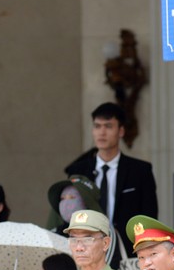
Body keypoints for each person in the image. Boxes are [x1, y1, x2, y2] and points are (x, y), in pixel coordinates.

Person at [65, 102, 158, 237]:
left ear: (121, 131)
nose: (102, 132)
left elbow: (149, 218)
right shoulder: (78, 171)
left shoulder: (140, 171)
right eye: (97, 126)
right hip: (88, 245)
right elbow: (69, 214)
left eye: (108, 126)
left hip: (127, 249)